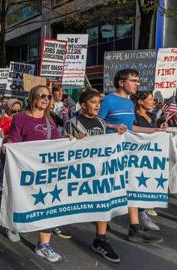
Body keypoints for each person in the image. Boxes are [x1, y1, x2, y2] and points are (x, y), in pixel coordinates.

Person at [98, 69, 163, 244]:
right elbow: (96, 122)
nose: (137, 84)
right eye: (133, 80)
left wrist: (155, 131)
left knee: (132, 186)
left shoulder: (129, 103)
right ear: (121, 82)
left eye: (137, 81)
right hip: (110, 154)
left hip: (127, 153)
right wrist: (112, 127)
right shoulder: (108, 100)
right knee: (108, 191)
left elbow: (131, 128)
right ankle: (101, 229)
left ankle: (135, 229)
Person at [6, 85, 64, 262]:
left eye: (48, 96)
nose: (46, 99)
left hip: (46, 171)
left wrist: (71, 141)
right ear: (32, 98)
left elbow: (56, 143)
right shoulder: (21, 118)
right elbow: (14, 138)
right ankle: (14, 224)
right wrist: (7, 145)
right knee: (23, 200)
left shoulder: (50, 120)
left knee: (49, 204)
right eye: (42, 96)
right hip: (26, 169)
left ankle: (43, 245)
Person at [64, 90, 123, 263]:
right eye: (94, 102)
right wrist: (74, 139)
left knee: (103, 201)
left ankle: (101, 239)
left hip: (100, 171)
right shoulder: (73, 123)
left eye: (99, 102)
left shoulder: (101, 122)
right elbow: (63, 147)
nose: (98, 105)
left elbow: (105, 144)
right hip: (80, 172)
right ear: (83, 105)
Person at [131, 91, 166, 223]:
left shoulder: (152, 115)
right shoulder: (133, 116)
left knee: (146, 183)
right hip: (137, 154)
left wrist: (160, 128)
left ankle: (143, 212)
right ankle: (141, 215)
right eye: (150, 99)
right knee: (136, 184)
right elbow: (131, 129)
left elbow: (155, 131)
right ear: (140, 102)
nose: (153, 102)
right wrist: (154, 130)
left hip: (151, 155)